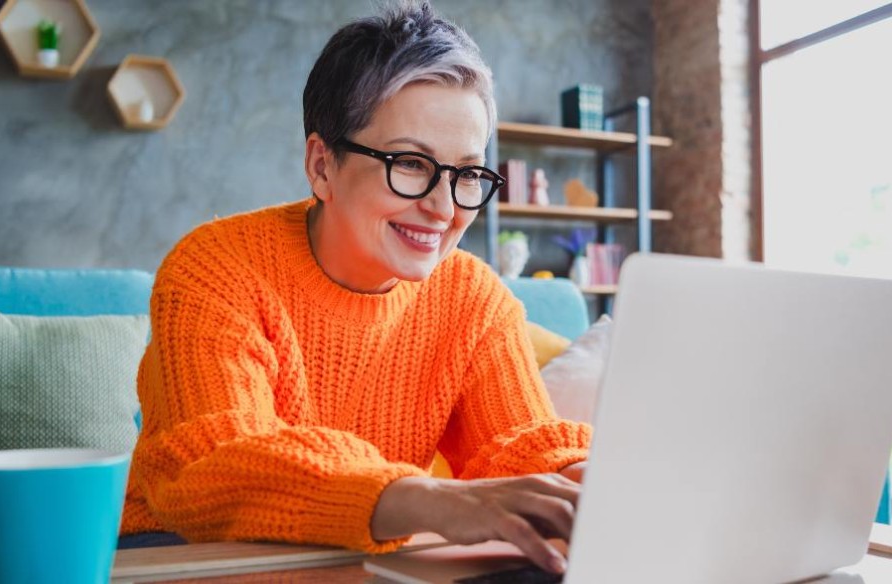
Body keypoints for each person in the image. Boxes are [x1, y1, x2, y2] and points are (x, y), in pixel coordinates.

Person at [120, 0, 590, 574]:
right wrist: (425, 499)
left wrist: (577, 482)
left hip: (357, 554)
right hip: (184, 553)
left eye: (468, 173)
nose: (443, 207)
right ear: (322, 166)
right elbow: (213, 461)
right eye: (411, 164)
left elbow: (519, 444)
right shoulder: (215, 266)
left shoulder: (474, 298)